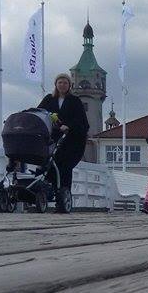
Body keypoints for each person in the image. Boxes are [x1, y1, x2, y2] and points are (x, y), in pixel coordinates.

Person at [38, 73, 89, 212]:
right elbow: (40, 112)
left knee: (65, 168)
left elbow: (82, 121)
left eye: (65, 83)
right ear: (56, 84)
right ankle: (49, 194)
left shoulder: (75, 101)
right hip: (53, 139)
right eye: (60, 82)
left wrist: (69, 126)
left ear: (69, 85)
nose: (62, 85)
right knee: (50, 167)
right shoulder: (49, 99)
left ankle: (64, 197)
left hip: (71, 141)